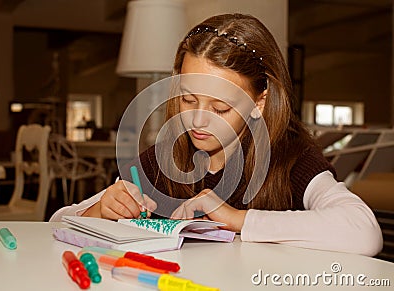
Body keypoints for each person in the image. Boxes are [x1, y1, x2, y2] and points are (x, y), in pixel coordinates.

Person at [50, 13, 382, 256]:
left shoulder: (292, 161)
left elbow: (364, 232)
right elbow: (55, 223)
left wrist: (236, 219)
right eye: (187, 98)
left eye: (219, 108)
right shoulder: (161, 160)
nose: (196, 120)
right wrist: (100, 211)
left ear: (258, 102)